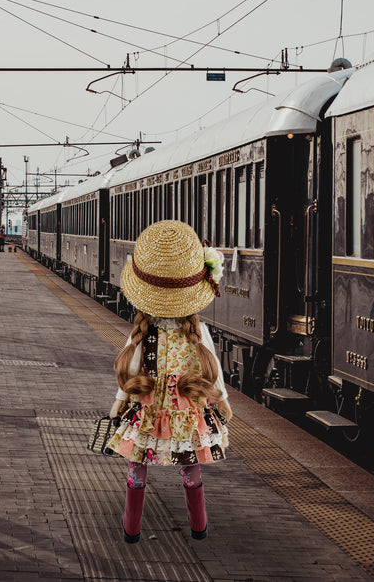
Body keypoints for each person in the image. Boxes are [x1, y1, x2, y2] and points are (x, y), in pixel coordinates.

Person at [105, 220, 231, 543]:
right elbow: (212, 365)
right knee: (190, 467)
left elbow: (132, 369)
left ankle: (131, 528)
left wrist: (120, 400)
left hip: (147, 409)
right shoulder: (198, 333)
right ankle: (199, 527)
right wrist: (223, 400)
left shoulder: (143, 335)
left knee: (137, 466)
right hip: (186, 408)